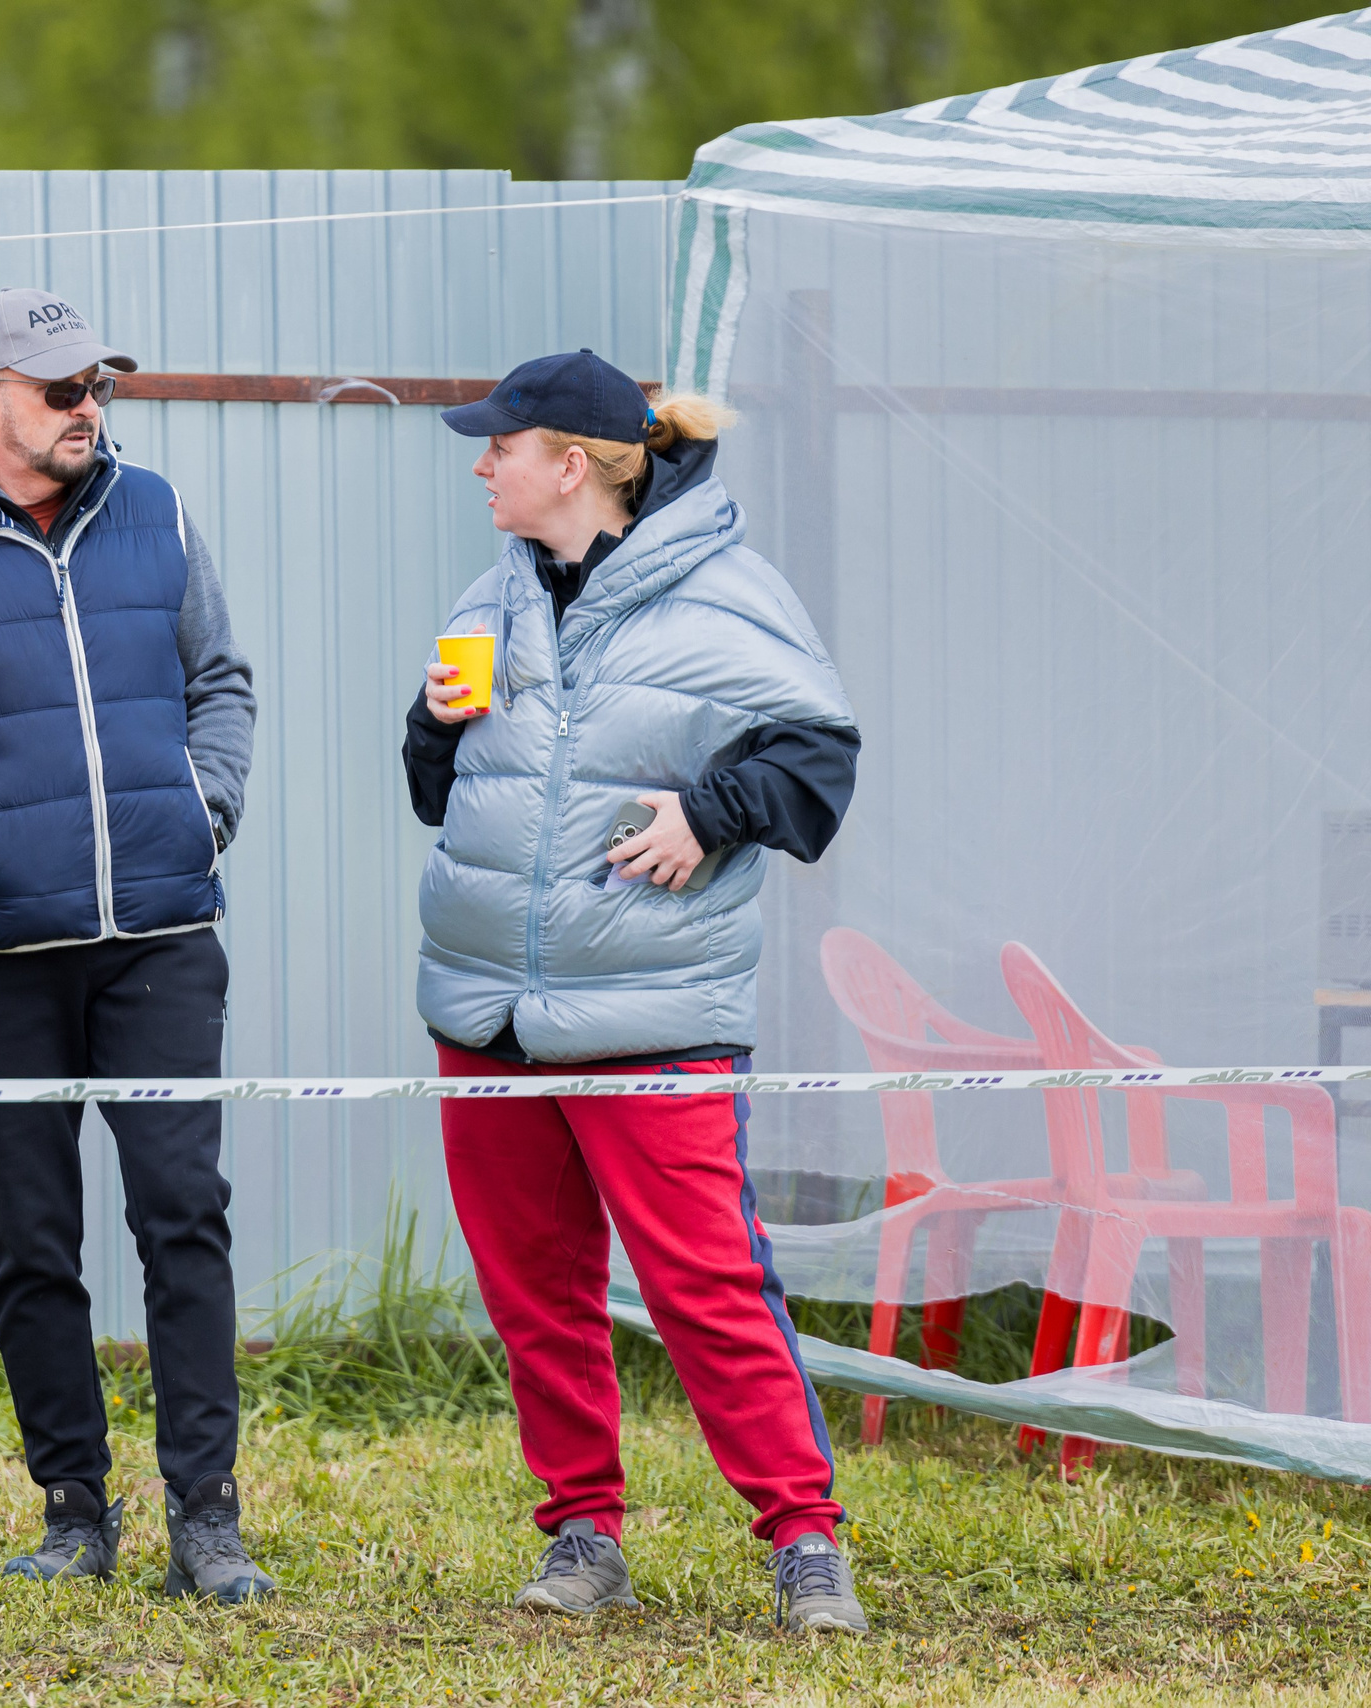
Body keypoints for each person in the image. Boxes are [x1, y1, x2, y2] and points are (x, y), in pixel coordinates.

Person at [402, 349, 869, 1634]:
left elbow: (819, 760)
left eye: (501, 444)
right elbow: (439, 793)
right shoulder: (489, 594)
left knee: (705, 1284)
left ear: (571, 463)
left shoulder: (727, 592)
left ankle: (805, 1541)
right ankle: (580, 1534)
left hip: (655, 1006)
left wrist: (710, 813)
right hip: (484, 1011)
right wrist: (434, 726)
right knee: (533, 1290)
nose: (482, 463)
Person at [0, 287, 269, 1602]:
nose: (90, 411)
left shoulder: (160, 513)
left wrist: (208, 807)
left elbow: (223, 682)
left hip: (161, 931)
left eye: (97, 388)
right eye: (61, 390)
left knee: (182, 1216)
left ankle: (209, 1518)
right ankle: (76, 1511)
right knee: (31, 1239)